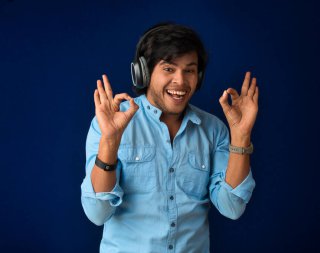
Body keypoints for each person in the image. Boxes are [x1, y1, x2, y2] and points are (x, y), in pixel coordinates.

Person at [81, 22, 259, 253]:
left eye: (189, 70)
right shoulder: (108, 125)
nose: (181, 81)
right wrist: (110, 141)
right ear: (143, 72)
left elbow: (232, 207)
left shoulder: (214, 130)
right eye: (168, 69)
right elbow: (97, 213)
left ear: (199, 76)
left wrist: (242, 136)